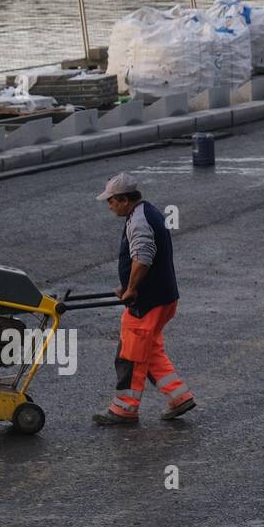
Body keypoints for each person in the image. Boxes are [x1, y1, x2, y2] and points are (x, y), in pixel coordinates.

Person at [91, 172, 197, 426]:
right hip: (163, 298)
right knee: (148, 350)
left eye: (112, 200)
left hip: (147, 302)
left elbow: (143, 258)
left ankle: (124, 409)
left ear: (125, 199)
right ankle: (179, 397)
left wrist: (131, 289)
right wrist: (126, 285)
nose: (109, 205)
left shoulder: (139, 221)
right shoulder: (148, 212)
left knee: (131, 355)